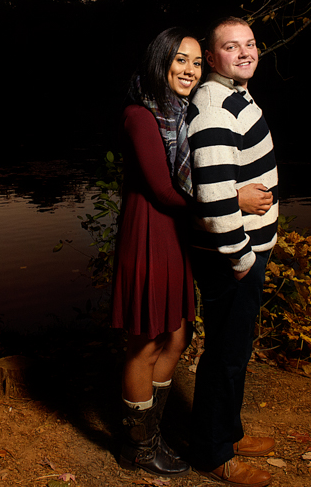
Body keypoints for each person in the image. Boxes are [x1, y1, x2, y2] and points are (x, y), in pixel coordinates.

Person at [187, 17, 278, 487]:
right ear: (212, 55)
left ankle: (228, 431)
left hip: (246, 249)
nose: (245, 53)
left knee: (236, 348)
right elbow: (214, 197)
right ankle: (214, 452)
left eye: (250, 44)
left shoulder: (235, 93)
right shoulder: (214, 105)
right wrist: (240, 255)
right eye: (230, 46)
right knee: (225, 352)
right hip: (233, 256)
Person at [111, 27, 202, 476]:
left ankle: (152, 433)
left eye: (197, 62)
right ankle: (137, 448)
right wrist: (223, 204)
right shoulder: (140, 115)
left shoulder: (183, 113)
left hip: (176, 234)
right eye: (181, 59)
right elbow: (164, 191)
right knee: (145, 342)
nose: (189, 69)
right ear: (161, 60)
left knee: (178, 336)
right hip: (149, 231)